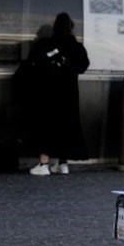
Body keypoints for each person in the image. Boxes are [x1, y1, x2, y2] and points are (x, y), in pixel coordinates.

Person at [24, 12, 90, 175]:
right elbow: (83, 66)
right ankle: (63, 163)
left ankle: (44, 164)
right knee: (66, 125)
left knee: (46, 125)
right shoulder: (76, 46)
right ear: (71, 28)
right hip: (69, 93)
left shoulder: (45, 44)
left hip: (48, 92)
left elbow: (32, 64)